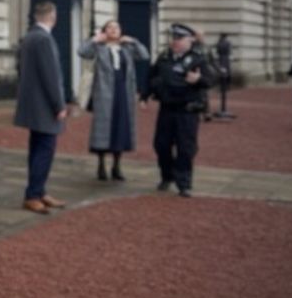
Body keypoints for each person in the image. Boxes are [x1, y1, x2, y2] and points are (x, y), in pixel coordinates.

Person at [14, 0, 69, 215]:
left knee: (37, 149)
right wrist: (59, 104)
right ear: (52, 17)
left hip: (32, 103)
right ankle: (34, 194)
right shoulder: (44, 39)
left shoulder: (28, 36)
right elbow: (51, 76)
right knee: (44, 151)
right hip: (45, 105)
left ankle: (38, 190)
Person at [77, 20, 150, 181]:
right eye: (109, 27)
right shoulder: (99, 48)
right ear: (104, 31)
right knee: (104, 129)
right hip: (104, 94)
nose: (113, 30)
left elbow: (145, 55)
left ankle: (117, 165)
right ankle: (101, 164)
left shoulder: (127, 48)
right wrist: (94, 39)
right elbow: (82, 52)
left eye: (116, 27)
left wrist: (133, 41)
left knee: (121, 128)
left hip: (123, 93)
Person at [147, 23, 211, 197]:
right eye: (173, 38)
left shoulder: (198, 59)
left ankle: (184, 182)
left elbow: (211, 79)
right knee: (161, 145)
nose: (175, 42)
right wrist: (145, 95)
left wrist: (198, 79)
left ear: (189, 40)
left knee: (185, 148)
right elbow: (151, 76)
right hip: (167, 109)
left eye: (179, 38)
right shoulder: (164, 57)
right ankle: (167, 176)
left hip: (187, 111)